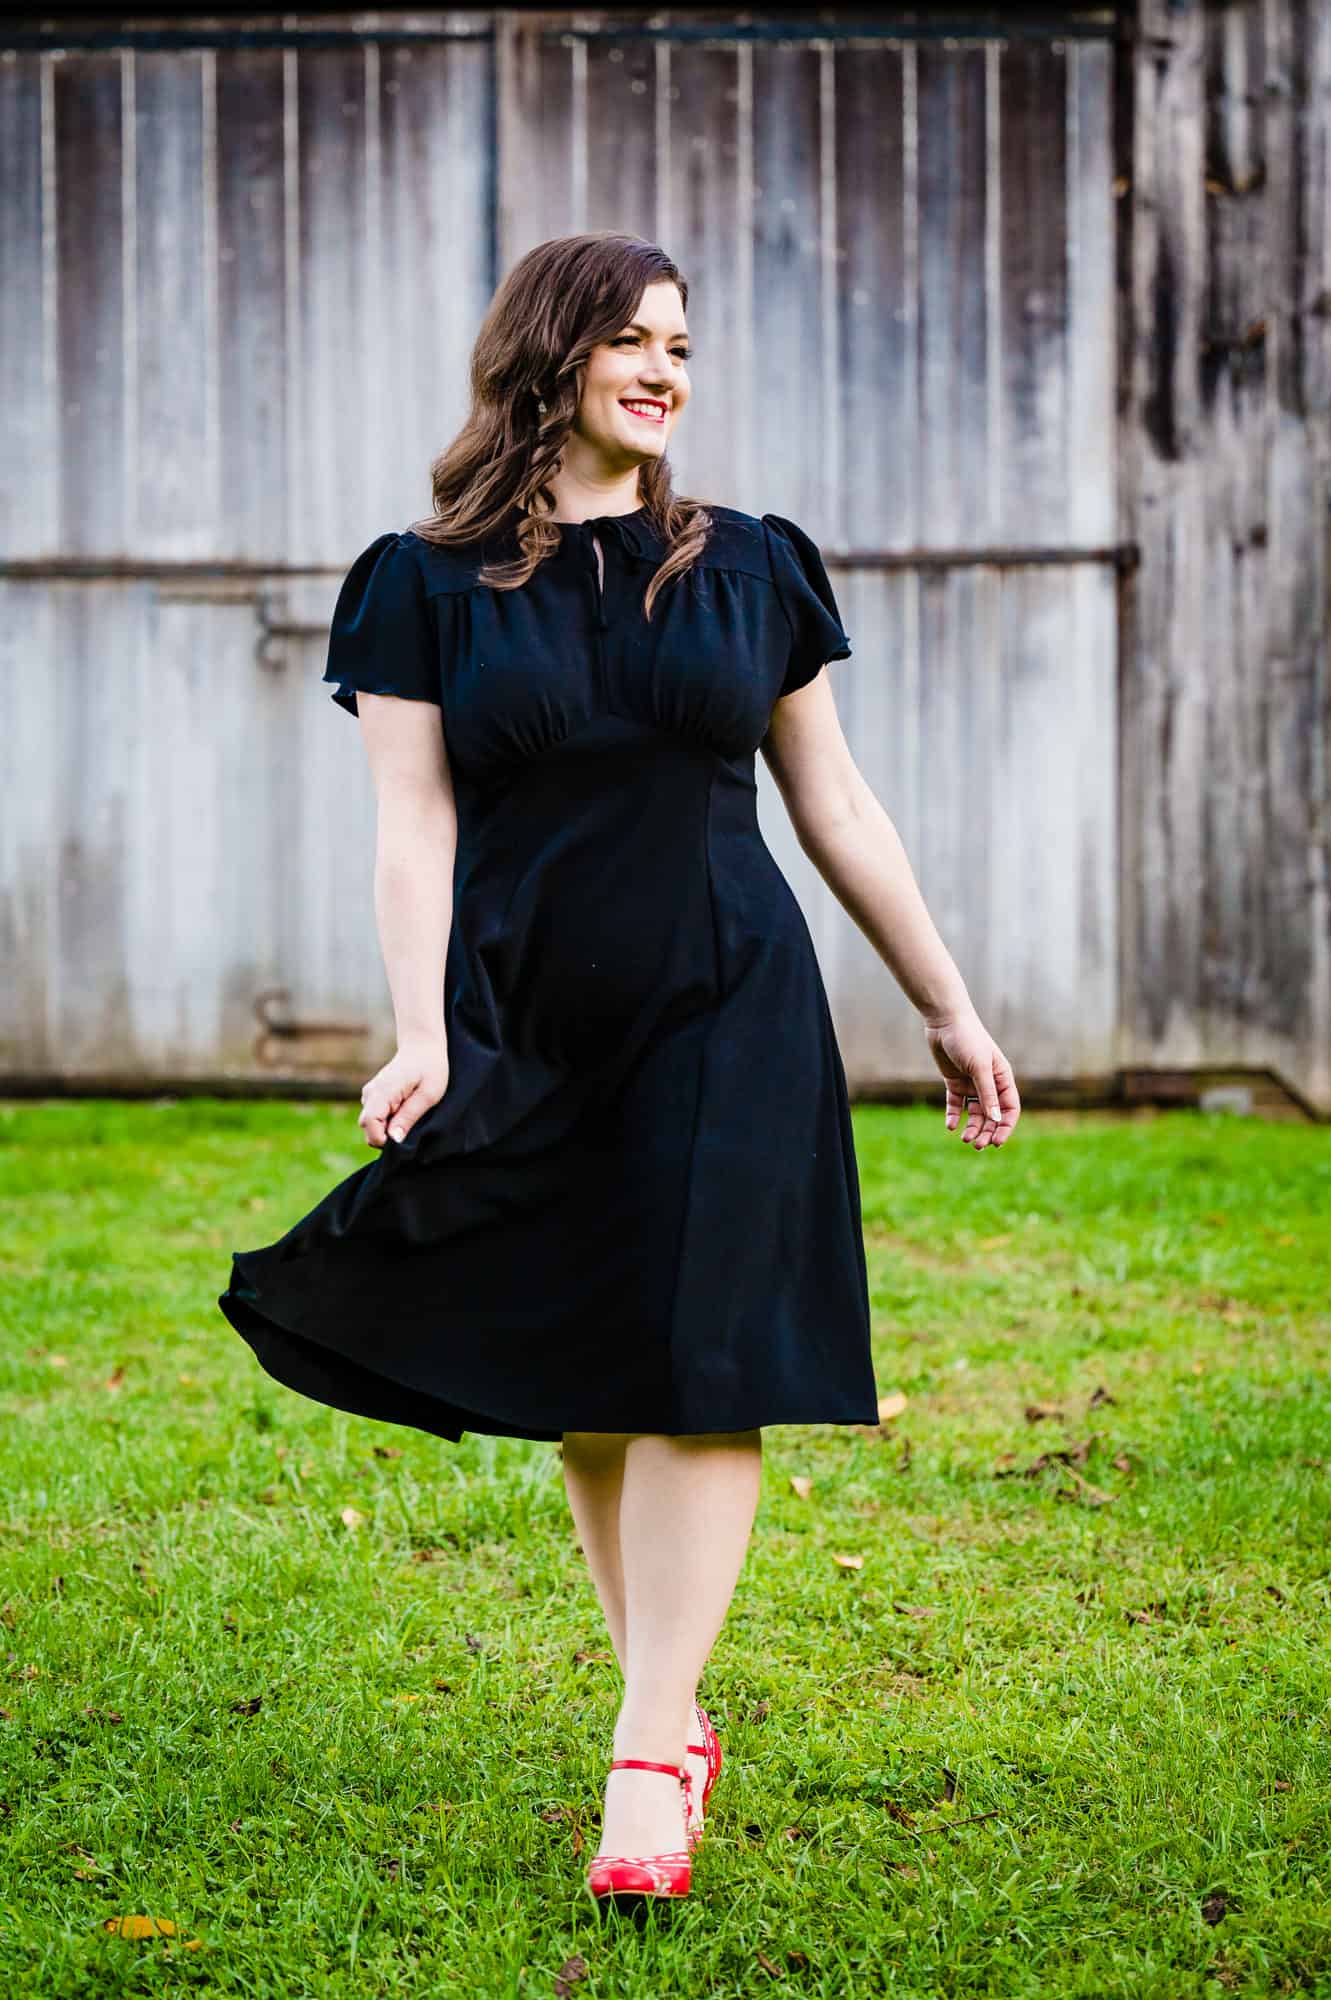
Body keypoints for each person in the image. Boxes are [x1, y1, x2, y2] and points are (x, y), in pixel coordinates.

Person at [217, 230, 1020, 1911]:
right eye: (631, 342)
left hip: (727, 993)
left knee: (705, 1358)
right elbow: (412, 825)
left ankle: (649, 1751)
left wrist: (947, 1004)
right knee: (598, 1370)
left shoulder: (748, 565)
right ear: (550, 359)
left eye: (682, 345)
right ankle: (670, 1701)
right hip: (528, 1008)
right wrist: (426, 1027)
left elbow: (836, 804)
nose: (664, 371)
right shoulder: (420, 584)